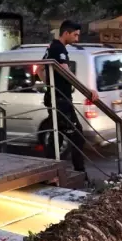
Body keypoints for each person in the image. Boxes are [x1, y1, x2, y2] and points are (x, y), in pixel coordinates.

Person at [39, 20, 99, 172]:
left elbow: (39, 69)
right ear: (66, 33)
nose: (77, 39)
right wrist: (87, 90)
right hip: (61, 99)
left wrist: (50, 84)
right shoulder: (58, 48)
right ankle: (79, 171)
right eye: (75, 35)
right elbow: (65, 71)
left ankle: (52, 171)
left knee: (57, 135)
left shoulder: (51, 47)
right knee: (76, 135)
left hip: (55, 96)